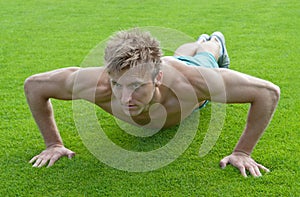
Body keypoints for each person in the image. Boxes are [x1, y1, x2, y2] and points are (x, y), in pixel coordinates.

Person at [24, 28, 280, 177]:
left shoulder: (194, 83)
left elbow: (268, 92)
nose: (125, 99)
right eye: (117, 85)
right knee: (180, 54)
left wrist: (242, 152)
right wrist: (53, 144)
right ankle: (199, 42)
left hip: (192, 83)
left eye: (136, 86)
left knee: (204, 58)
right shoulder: (95, 84)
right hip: (165, 68)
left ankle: (214, 42)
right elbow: (34, 85)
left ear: (157, 79)